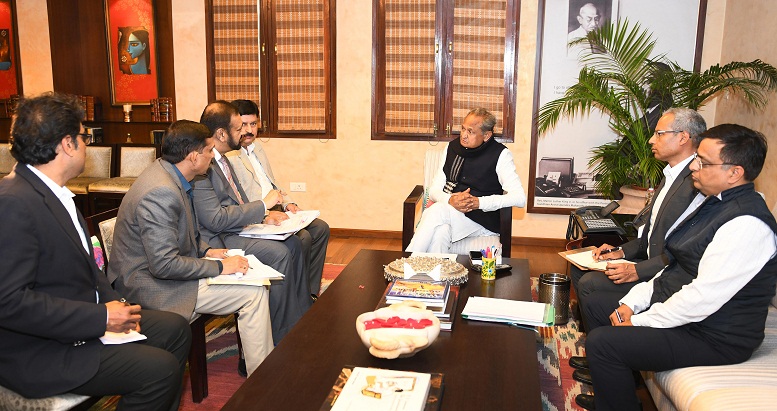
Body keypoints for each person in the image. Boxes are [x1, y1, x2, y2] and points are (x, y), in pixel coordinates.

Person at [0, 93, 191, 411]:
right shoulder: (13, 202)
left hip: (78, 321)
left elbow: (89, 269)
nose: (86, 145)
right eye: (83, 136)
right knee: (160, 371)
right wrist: (100, 317)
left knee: (174, 328)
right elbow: (9, 303)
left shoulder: (56, 192)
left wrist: (114, 303)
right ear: (67, 144)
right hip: (40, 349)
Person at [575, 124, 777, 411]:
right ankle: (619, 396)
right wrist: (633, 302)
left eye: (703, 162)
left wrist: (640, 321)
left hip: (715, 335)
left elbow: (702, 298)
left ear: (734, 172)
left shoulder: (747, 224)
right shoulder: (715, 203)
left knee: (604, 343)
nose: (693, 166)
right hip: (694, 316)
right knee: (598, 304)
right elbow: (676, 264)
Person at [110, 120, 274, 377]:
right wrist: (219, 267)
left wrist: (207, 251)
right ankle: (263, 381)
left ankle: (261, 372)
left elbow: (182, 232)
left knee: (252, 285)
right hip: (151, 284)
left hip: (163, 272)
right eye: (209, 150)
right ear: (194, 156)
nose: (213, 156)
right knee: (253, 293)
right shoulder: (160, 191)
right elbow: (164, 265)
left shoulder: (171, 174)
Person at [568, 108, 706, 381]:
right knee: (581, 267)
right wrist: (618, 251)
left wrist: (637, 270)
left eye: (659, 134)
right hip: (652, 263)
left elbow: (683, 253)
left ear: (683, 137)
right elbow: (649, 236)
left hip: (666, 274)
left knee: (590, 285)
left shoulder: (696, 185)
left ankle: (613, 364)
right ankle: (601, 357)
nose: (651, 140)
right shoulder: (670, 175)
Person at [192, 100, 312, 345]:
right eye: (238, 128)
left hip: (235, 227)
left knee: (294, 243)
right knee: (279, 253)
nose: (244, 133)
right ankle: (279, 334)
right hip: (218, 238)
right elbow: (214, 220)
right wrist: (263, 207)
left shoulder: (224, 159)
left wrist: (264, 217)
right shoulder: (204, 165)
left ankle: (298, 318)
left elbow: (239, 200)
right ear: (221, 134)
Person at [227, 99, 331, 297]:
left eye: (253, 124)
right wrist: (266, 214)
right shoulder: (230, 156)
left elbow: (272, 183)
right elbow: (240, 200)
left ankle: (309, 292)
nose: (249, 130)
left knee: (320, 228)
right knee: (303, 237)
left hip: (276, 207)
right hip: (259, 214)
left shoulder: (257, 148)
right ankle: (296, 295)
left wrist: (288, 203)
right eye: (243, 125)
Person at [405, 107, 526, 253]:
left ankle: (407, 260)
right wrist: (450, 199)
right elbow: (434, 190)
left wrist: (479, 202)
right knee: (441, 231)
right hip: (453, 213)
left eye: (471, 132)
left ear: (486, 135)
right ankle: (438, 268)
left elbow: (519, 198)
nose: (464, 135)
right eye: (463, 129)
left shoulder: (500, 154)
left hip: (482, 220)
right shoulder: (452, 148)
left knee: (436, 211)